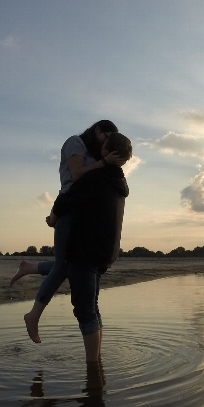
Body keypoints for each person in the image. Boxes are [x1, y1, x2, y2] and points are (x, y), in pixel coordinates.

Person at [10, 120, 126, 343]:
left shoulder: (95, 155)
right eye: (106, 136)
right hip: (69, 208)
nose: (106, 142)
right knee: (65, 265)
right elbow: (76, 175)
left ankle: (30, 267)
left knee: (72, 264)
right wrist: (104, 162)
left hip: (81, 212)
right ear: (97, 130)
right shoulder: (75, 143)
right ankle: (33, 315)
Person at [48, 132, 131, 362]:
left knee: (84, 311)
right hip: (104, 253)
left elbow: (66, 199)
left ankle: (93, 369)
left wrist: (52, 219)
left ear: (106, 152)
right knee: (92, 308)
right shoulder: (119, 182)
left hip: (84, 251)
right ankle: (97, 363)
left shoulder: (96, 177)